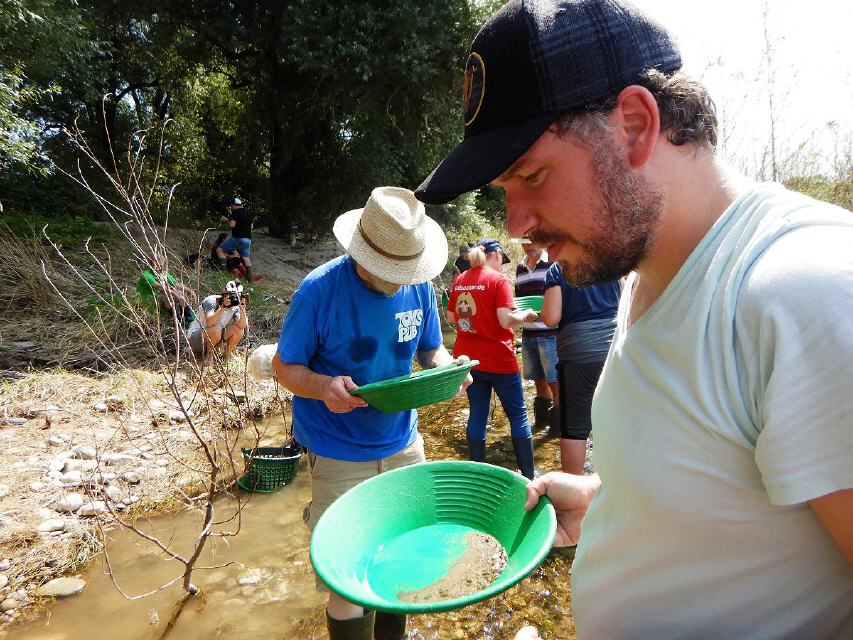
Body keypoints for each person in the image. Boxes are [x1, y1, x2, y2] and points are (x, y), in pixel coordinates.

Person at [415, 0, 853, 638]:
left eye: (531, 174)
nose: (515, 223)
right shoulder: (649, 272)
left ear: (635, 124)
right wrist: (608, 501)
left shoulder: (809, 295)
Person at [271, 187, 468, 640]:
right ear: (363, 253)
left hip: (403, 443)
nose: (401, 280)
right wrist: (324, 387)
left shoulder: (419, 285)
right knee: (347, 579)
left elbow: (431, 349)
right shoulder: (319, 291)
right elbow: (284, 367)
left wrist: (447, 369)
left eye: (408, 269)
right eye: (391, 271)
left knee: (401, 561)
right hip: (337, 449)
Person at [446, 238, 539, 480]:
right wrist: (525, 315)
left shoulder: (460, 279)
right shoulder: (498, 280)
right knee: (518, 415)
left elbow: (452, 317)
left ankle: (477, 475)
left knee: (477, 414)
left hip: (469, 359)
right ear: (496, 255)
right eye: (502, 259)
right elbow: (505, 320)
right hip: (498, 358)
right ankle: (529, 478)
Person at [539, 262, 618, 473]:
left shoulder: (559, 268)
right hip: (614, 350)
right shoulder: (609, 259)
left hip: (578, 354)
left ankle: (572, 489)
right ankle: (610, 484)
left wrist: (541, 312)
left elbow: (551, 318)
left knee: (574, 429)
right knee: (612, 422)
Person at [514, 238, 558, 431]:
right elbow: (518, 299)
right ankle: (541, 423)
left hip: (550, 333)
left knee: (555, 381)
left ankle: (558, 428)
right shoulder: (520, 268)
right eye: (524, 242)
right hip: (529, 334)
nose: (528, 246)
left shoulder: (552, 264)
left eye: (532, 241)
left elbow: (560, 298)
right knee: (538, 380)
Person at [186, 279, 248, 358]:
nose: (233, 298)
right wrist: (223, 308)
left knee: (238, 330)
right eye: (231, 295)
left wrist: (242, 310)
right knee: (215, 329)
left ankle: (227, 355)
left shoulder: (236, 306)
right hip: (195, 339)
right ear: (224, 292)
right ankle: (209, 358)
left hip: (214, 337)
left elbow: (242, 326)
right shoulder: (211, 301)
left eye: (237, 296)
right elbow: (210, 323)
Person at [216, 197, 254, 282]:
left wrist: (227, 221)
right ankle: (249, 279)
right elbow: (251, 226)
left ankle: (223, 273)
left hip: (238, 238)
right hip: (248, 240)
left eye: (231, 205)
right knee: (246, 258)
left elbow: (232, 225)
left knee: (219, 250)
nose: (230, 207)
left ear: (234, 205)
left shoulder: (236, 212)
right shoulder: (248, 213)